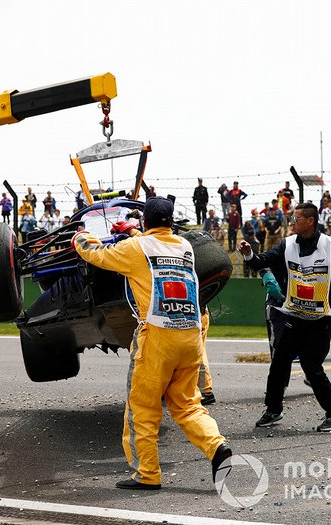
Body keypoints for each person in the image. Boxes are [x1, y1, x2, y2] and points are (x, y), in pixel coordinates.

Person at [72, 196, 231, 490]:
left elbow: (97, 254)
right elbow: (154, 246)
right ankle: (217, 446)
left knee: (142, 409)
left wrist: (81, 234)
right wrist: (133, 232)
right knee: (187, 405)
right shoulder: (184, 247)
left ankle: (147, 474)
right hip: (190, 337)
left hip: (157, 338)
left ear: (146, 222)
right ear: (170, 221)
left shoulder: (135, 249)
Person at [238, 202, 331, 432]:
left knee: (311, 366)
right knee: (280, 362)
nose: (292, 222)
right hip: (294, 316)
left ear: (310, 221)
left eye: (296, 218)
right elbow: (261, 262)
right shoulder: (287, 244)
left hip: (321, 319)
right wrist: (249, 253)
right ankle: (273, 409)